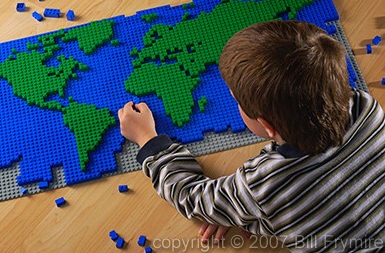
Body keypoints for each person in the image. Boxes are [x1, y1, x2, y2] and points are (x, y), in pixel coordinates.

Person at [117, 20, 385, 252]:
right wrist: (247, 213)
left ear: (266, 126)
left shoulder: (263, 186)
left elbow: (191, 197)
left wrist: (148, 140)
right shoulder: (367, 108)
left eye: (236, 100)